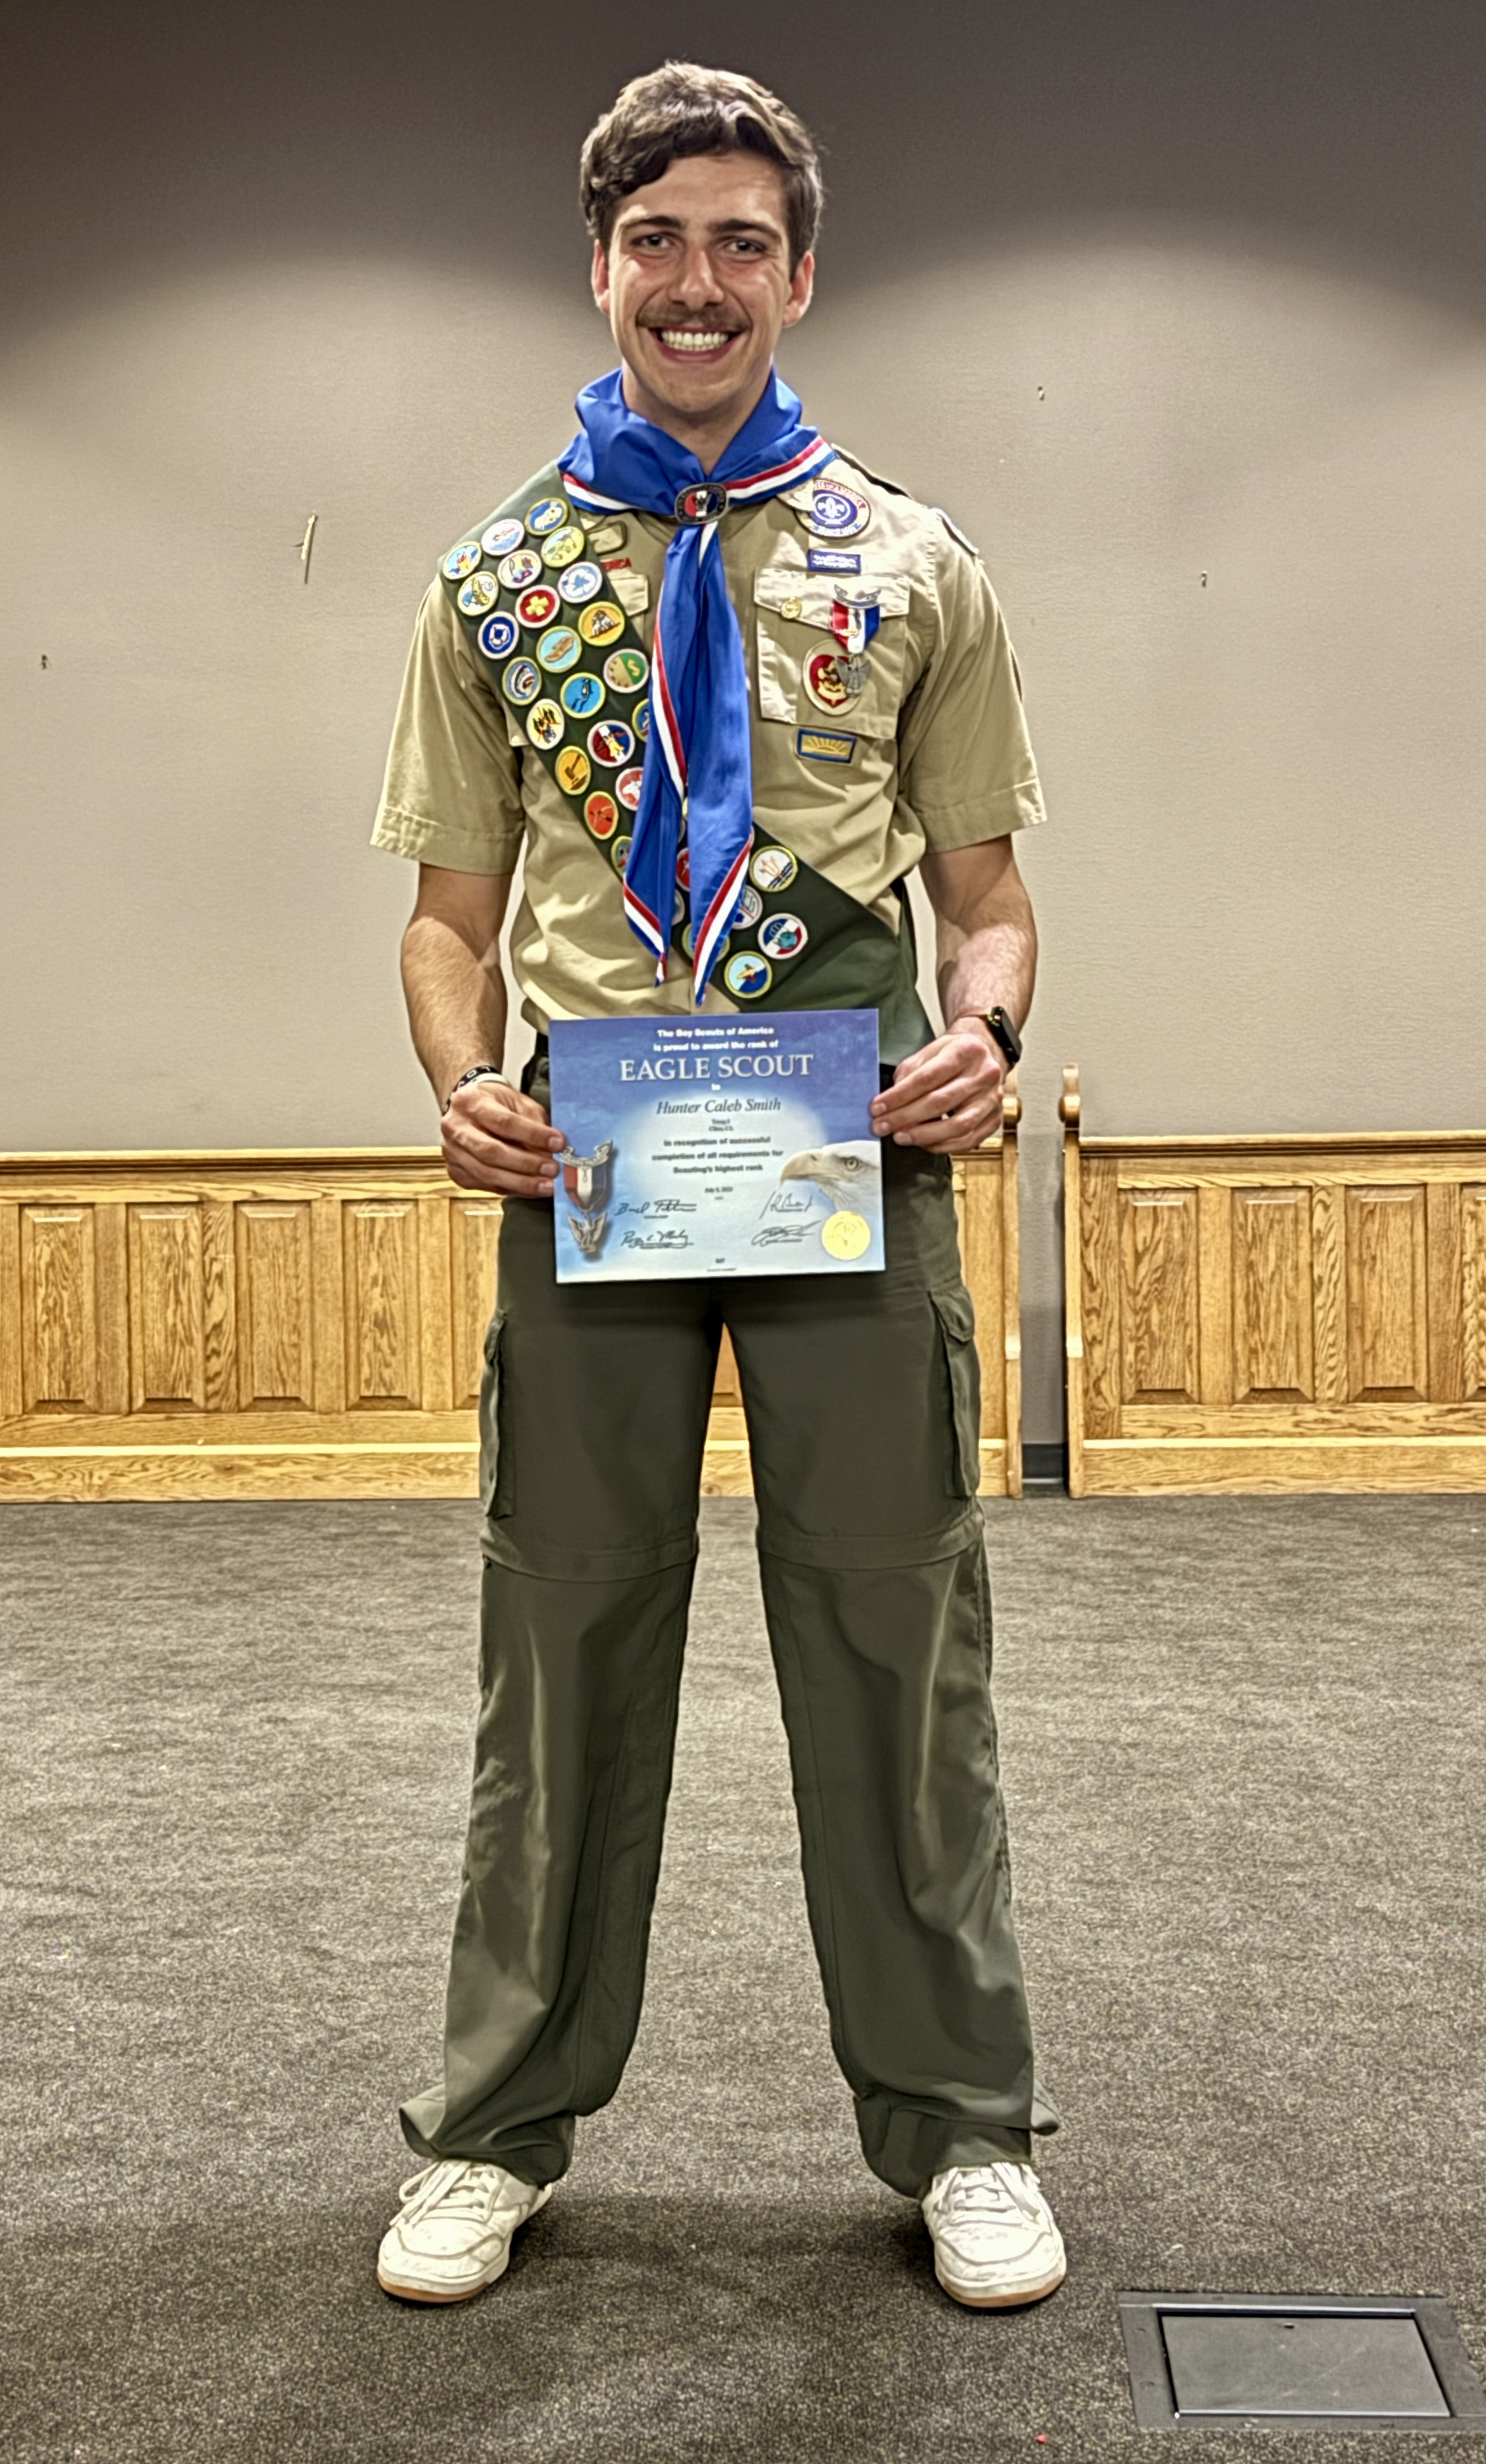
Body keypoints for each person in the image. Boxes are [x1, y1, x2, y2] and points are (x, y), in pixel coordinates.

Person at [370, 61, 1063, 2313]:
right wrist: (459, 1084)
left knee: (896, 1638)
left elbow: (989, 899)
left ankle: (960, 2127)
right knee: (560, 1651)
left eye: (741, 241)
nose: (698, 282)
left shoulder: (910, 558)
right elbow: (449, 924)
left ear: (798, 272)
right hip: (588, 1168)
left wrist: (986, 1036)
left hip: (848, 1167)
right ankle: (493, 2126)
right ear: (600, 263)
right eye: (659, 238)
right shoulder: (496, 579)